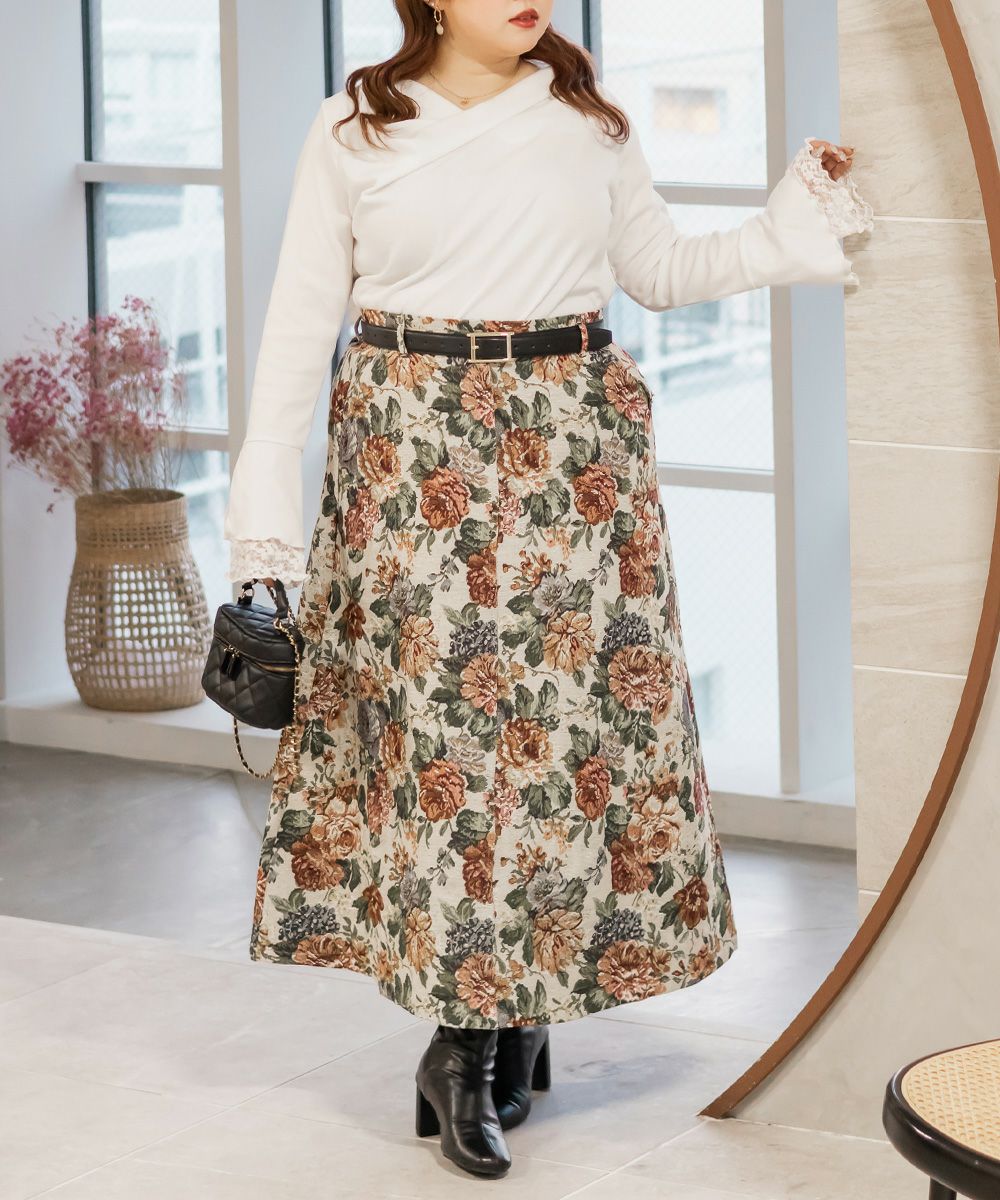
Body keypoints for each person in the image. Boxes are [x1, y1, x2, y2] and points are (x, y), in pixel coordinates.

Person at [222, 0, 873, 1180]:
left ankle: (505, 1022)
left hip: (570, 453)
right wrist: (261, 542)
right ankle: (466, 1045)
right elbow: (295, 333)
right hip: (408, 459)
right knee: (450, 751)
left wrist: (791, 217)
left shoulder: (588, 120)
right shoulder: (358, 126)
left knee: (556, 746)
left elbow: (660, 271)